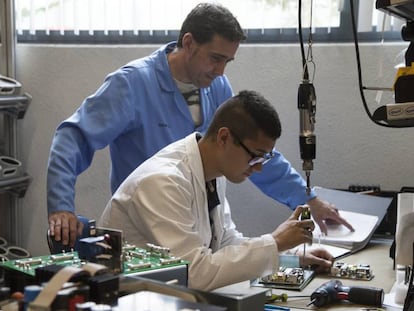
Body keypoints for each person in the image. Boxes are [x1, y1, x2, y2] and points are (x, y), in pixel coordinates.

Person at [47, 2, 353, 247]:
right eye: (215, 58)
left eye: (227, 62)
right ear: (189, 43)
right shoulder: (131, 84)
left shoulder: (217, 87)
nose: (220, 71)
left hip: (201, 226)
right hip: (148, 232)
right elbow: (72, 138)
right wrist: (62, 206)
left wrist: (307, 198)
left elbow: (251, 151)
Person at [98, 90, 334, 291]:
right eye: (255, 156)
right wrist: (274, 243)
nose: (260, 166)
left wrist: (289, 258)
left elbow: (223, 243)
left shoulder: (212, 172)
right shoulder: (162, 182)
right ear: (224, 137)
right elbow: (194, 274)